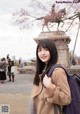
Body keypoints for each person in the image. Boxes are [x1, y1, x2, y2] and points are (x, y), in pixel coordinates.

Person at [30, 39, 71, 114]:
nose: (42, 53)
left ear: (52, 51)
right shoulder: (42, 69)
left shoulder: (57, 71)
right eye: (39, 50)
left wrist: (50, 87)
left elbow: (66, 99)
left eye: (46, 50)